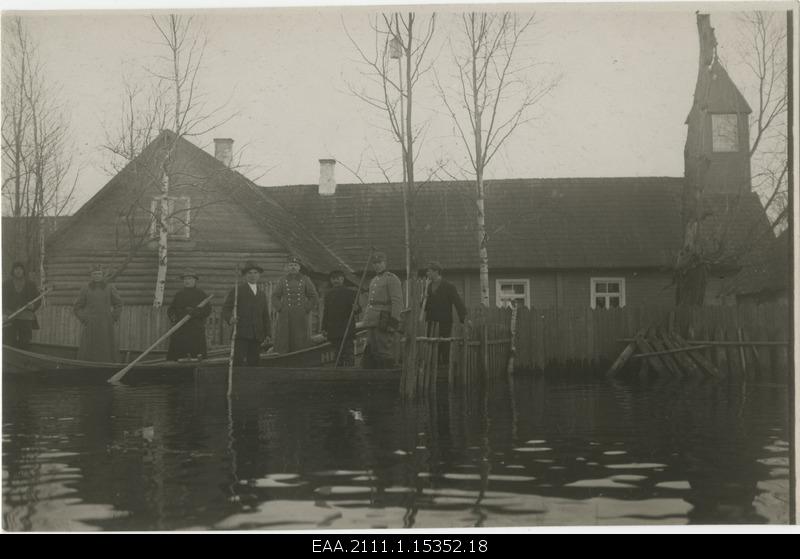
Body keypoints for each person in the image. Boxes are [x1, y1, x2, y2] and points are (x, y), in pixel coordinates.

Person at [223, 261, 271, 366]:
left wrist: (268, 333)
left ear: (259, 275)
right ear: (245, 275)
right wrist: (230, 318)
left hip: (257, 335)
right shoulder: (238, 290)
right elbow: (226, 309)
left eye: (255, 273)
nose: (253, 275)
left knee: (254, 362)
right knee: (238, 361)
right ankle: (237, 381)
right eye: (249, 273)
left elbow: (265, 315)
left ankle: (251, 382)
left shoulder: (261, 294)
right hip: (241, 333)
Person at [73, 265, 123, 362]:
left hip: (106, 324)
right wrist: (84, 319)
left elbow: (119, 304)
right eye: (95, 274)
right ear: (91, 276)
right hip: (91, 324)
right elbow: (77, 307)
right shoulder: (86, 288)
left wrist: (113, 318)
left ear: (102, 275)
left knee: (106, 348)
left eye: (99, 274)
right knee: (89, 349)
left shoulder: (109, 287)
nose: (97, 276)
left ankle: (108, 365)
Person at [362, 251, 403, 369]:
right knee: (373, 349)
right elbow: (370, 302)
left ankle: (387, 377)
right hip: (372, 320)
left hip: (384, 319)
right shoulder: (373, 280)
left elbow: (397, 301)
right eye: (374, 263)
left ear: (385, 263)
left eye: (379, 263)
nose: (376, 265)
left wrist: (394, 321)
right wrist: (366, 319)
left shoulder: (392, 279)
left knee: (384, 349)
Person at [271, 256, 319, 354]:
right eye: (291, 265)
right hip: (285, 314)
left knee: (300, 336)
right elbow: (275, 296)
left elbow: (313, 296)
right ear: (288, 267)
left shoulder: (305, 279)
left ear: (299, 267)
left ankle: (300, 356)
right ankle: (283, 355)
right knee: (284, 336)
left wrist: (306, 308)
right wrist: (280, 308)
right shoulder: (283, 280)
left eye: (295, 265)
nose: (293, 267)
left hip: (300, 314)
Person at [423, 261, 468, 365]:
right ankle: (434, 368)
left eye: (429, 271)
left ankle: (446, 368)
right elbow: (424, 307)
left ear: (436, 272)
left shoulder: (448, 286)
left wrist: (464, 318)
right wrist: (424, 299)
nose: (427, 273)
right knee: (432, 346)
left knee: (444, 345)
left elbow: (458, 303)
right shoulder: (428, 287)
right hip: (430, 322)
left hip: (444, 322)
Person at [166, 269, 212, 361]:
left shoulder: (201, 294)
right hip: (180, 329)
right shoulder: (179, 294)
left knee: (196, 354)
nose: (187, 281)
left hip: (195, 329)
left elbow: (207, 310)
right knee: (177, 355)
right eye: (185, 279)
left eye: (190, 279)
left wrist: (196, 313)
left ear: (195, 281)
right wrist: (173, 317)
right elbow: (171, 309)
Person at [321, 270, 360, 366]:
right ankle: (339, 374)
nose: (336, 281)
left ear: (342, 279)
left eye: (338, 278)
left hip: (346, 328)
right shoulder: (328, 294)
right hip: (333, 329)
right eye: (333, 279)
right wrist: (324, 328)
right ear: (331, 280)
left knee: (348, 353)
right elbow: (326, 312)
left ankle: (350, 374)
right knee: (337, 354)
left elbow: (358, 309)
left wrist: (356, 308)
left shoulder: (350, 293)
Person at [2, 262, 42, 350]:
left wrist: (33, 306)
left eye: (20, 269)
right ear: (13, 271)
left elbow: (38, 299)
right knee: (8, 341)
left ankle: (23, 362)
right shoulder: (6, 284)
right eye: (16, 269)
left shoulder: (31, 284)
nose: (18, 271)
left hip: (25, 317)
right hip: (10, 316)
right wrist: (4, 313)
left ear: (24, 271)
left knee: (25, 342)